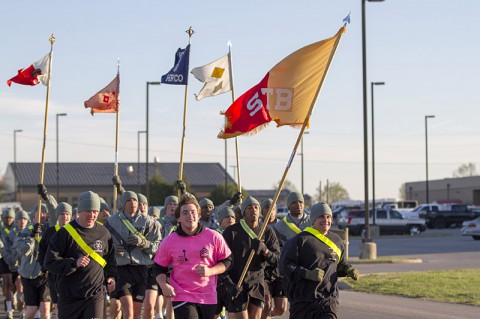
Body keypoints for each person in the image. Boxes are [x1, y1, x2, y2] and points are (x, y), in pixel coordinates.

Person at [154, 194, 232, 319]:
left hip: (208, 295)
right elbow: (158, 267)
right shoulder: (169, 241)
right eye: (185, 213)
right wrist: (164, 285)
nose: (190, 216)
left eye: (193, 212)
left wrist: (210, 271)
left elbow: (227, 261)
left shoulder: (214, 236)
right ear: (178, 218)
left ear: (199, 215)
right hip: (182, 294)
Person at [279, 202, 360, 319]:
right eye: (321, 216)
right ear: (313, 219)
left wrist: (348, 270)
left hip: (328, 300)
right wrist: (307, 274)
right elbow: (285, 267)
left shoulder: (336, 240)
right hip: (303, 301)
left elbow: (339, 265)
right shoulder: (300, 240)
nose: (325, 220)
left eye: (328, 217)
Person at [44, 191, 117, 319]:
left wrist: (111, 277)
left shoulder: (103, 233)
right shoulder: (64, 234)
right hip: (69, 297)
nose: (92, 215)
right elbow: (49, 262)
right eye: (88, 211)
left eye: (95, 211)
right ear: (79, 211)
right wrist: (73, 263)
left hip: (95, 295)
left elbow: (110, 259)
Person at [104, 191, 162, 319]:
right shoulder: (112, 222)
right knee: (128, 312)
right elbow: (103, 244)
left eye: (135, 200)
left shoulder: (149, 223)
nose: (133, 203)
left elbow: (158, 246)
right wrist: (113, 249)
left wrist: (144, 243)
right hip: (121, 269)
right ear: (123, 203)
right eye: (129, 201)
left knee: (135, 315)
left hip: (141, 269)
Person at [222, 196, 280, 319]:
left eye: (256, 207)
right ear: (243, 212)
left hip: (257, 283)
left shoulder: (267, 231)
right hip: (236, 283)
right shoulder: (231, 232)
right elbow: (221, 260)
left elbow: (277, 260)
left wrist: (265, 250)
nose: (253, 209)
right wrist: (228, 284)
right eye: (249, 207)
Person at [13, 205, 51, 319]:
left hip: (45, 274)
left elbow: (57, 211)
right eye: (40, 212)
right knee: (32, 310)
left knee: (45, 309)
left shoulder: (50, 230)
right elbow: (23, 250)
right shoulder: (25, 231)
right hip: (28, 274)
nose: (42, 215)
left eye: (44, 212)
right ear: (33, 215)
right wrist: (32, 236)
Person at [38, 202, 72, 318]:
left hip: (71, 273)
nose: (65, 216)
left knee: (70, 304)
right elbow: (42, 250)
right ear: (57, 216)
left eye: (67, 214)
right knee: (58, 303)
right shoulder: (50, 232)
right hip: (54, 274)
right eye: (62, 214)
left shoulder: (76, 232)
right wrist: (43, 266)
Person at [259, 199, 286, 319]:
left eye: (273, 208)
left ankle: (267, 316)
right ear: (262, 211)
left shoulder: (283, 226)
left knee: (281, 308)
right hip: (264, 271)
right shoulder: (257, 226)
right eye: (267, 208)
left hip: (279, 270)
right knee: (267, 304)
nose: (270, 211)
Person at [3, 210, 30, 318]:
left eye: (24, 219)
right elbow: (5, 248)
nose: (22, 221)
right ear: (17, 221)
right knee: (8, 284)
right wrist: (10, 258)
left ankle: (21, 310)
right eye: (20, 219)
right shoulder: (11, 234)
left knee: (20, 286)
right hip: (10, 264)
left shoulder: (30, 232)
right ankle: (9, 309)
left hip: (22, 266)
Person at [214, 207, 237, 319]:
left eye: (232, 216)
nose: (230, 218)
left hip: (235, 281)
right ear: (220, 220)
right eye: (227, 216)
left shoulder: (238, 234)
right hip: (217, 282)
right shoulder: (214, 235)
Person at [0, 208, 17, 319]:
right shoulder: (0, 227)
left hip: (15, 258)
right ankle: (9, 308)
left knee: (15, 284)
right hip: (3, 258)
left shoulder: (17, 228)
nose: (8, 220)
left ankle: (13, 296)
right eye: (6, 218)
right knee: (6, 282)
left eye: (10, 217)